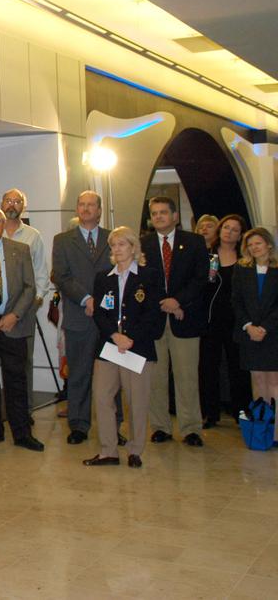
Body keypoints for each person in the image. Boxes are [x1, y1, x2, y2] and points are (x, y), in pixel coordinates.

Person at [83, 226, 164, 468]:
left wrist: (130, 338)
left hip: (137, 348)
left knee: (136, 401)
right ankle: (108, 450)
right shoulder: (103, 277)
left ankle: (135, 450)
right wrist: (114, 335)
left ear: (133, 247)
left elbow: (153, 314)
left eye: (122, 244)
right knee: (102, 397)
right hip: (109, 347)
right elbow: (100, 313)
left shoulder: (149, 276)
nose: (117, 249)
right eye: (113, 245)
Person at [141, 196, 208, 447]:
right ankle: (160, 427)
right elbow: (142, 281)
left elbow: (200, 278)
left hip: (185, 317)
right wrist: (164, 302)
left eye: (163, 212)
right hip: (154, 320)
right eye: (154, 213)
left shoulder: (194, 242)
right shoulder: (143, 244)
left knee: (187, 377)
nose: (158, 217)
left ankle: (191, 428)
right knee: (156, 378)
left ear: (175, 216)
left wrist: (178, 301)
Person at [0, 206, 44, 451]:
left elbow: (30, 287)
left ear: (3, 224)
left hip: (13, 324)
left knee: (16, 382)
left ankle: (22, 433)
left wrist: (15, 315)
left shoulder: (20, 249)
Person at [51, 190, 112, 444]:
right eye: (82, 204)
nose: (86, 209)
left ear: (99, 210)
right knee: (78, 374)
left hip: (109, 317)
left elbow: (120, 272)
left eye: (91, 205)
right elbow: (61, 276)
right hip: (78, 315)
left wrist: (101, 301)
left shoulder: (113, 238)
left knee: (112, 375)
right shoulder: (63, 240)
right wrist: (87, 299)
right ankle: (78, 425)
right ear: (77, 209)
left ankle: (114, 427)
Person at [1, 189, 50, 409]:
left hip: (23, 310)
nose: (12, 204)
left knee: (23, 362)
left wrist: (35, 301)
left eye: (17, 201)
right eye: (8, 200)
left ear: (24, 206)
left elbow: (41, 272)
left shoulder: (33, 235)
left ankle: (25, 410)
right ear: (2, 204)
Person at [202, 214, 248, 427]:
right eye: (226, 227)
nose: (229, 232)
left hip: (237, 319)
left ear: (240, 236)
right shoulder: (207, 255)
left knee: (237, 366)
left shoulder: (245, 259)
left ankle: (241, 411)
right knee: (209, 366)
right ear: (220, 230)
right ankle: (210, 413)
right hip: (211, 317)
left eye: (235, 230)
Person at [231, 227, 278, 433]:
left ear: (268, 244)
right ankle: (261, 428)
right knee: (257, 380)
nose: (254, 248)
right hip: (249, 333)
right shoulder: (242, 269)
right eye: (250, 245)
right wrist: (249, 326)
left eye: (258, 243)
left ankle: (276, 430)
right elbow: (236, 301)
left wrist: (265, 327)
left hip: (273, 333)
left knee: (274, 381)